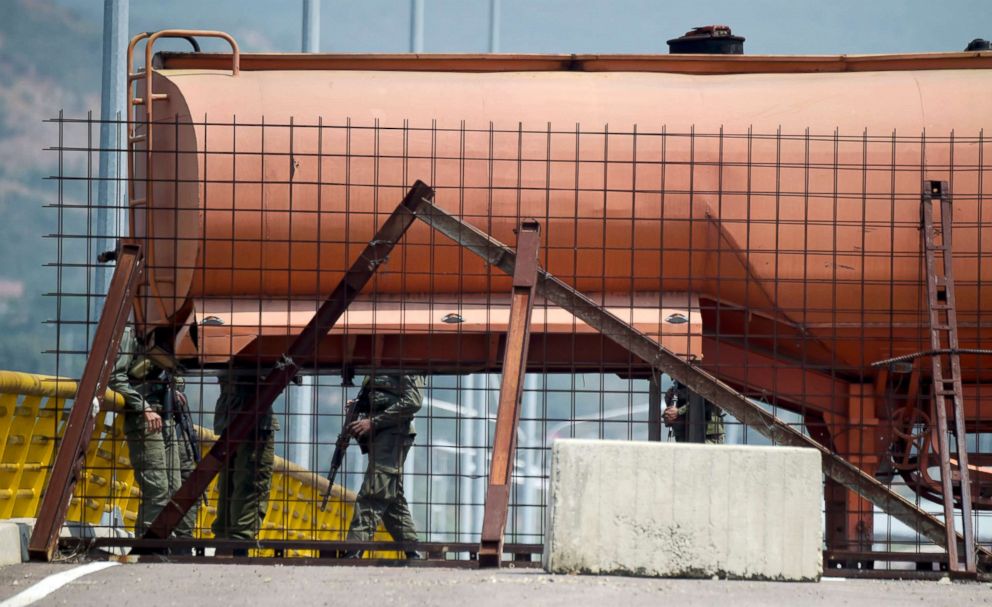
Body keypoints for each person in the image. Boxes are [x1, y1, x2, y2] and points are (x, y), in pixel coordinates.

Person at [109, 327, 198, 543]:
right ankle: (149, 545)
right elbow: (115, 377)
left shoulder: (161, 333)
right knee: (157, 489)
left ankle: (162, 541)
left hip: (165, 415)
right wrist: (143, 407)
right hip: (145, 418)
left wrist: (172, 387)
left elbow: (173, 371)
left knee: (174, 489)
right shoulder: (130, 334)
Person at [344, 373, 424, 560]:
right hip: (382, 435)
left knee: (375, 490)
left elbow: (413, 401)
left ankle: (354, 550)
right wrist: (363, 406)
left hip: (393, 434)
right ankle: (412, 551)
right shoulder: (382, 356)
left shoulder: (408, 354)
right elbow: (384, 395)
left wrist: (373, 422)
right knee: (391, 495)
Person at [211, 372, 278, 554]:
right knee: (251, 484)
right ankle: (239, 550)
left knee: (229, 483)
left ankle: (223, 547)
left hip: (229, 407)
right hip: (254, 408)